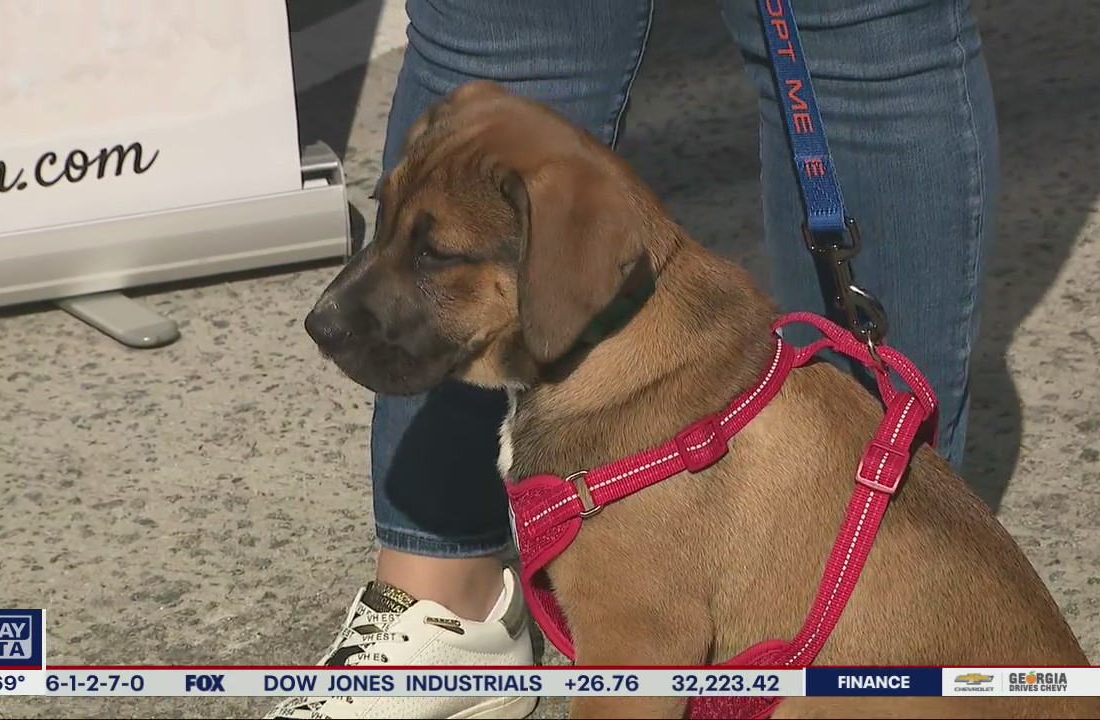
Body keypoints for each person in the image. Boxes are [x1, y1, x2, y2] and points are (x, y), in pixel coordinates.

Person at [267, 0, 997, 716]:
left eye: (433, 253)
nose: (336, 311)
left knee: (855, 26)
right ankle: (446, 609)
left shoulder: (646, 459)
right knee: (500, 29)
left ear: (571, 265)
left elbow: (633, 688)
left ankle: (875, 593)